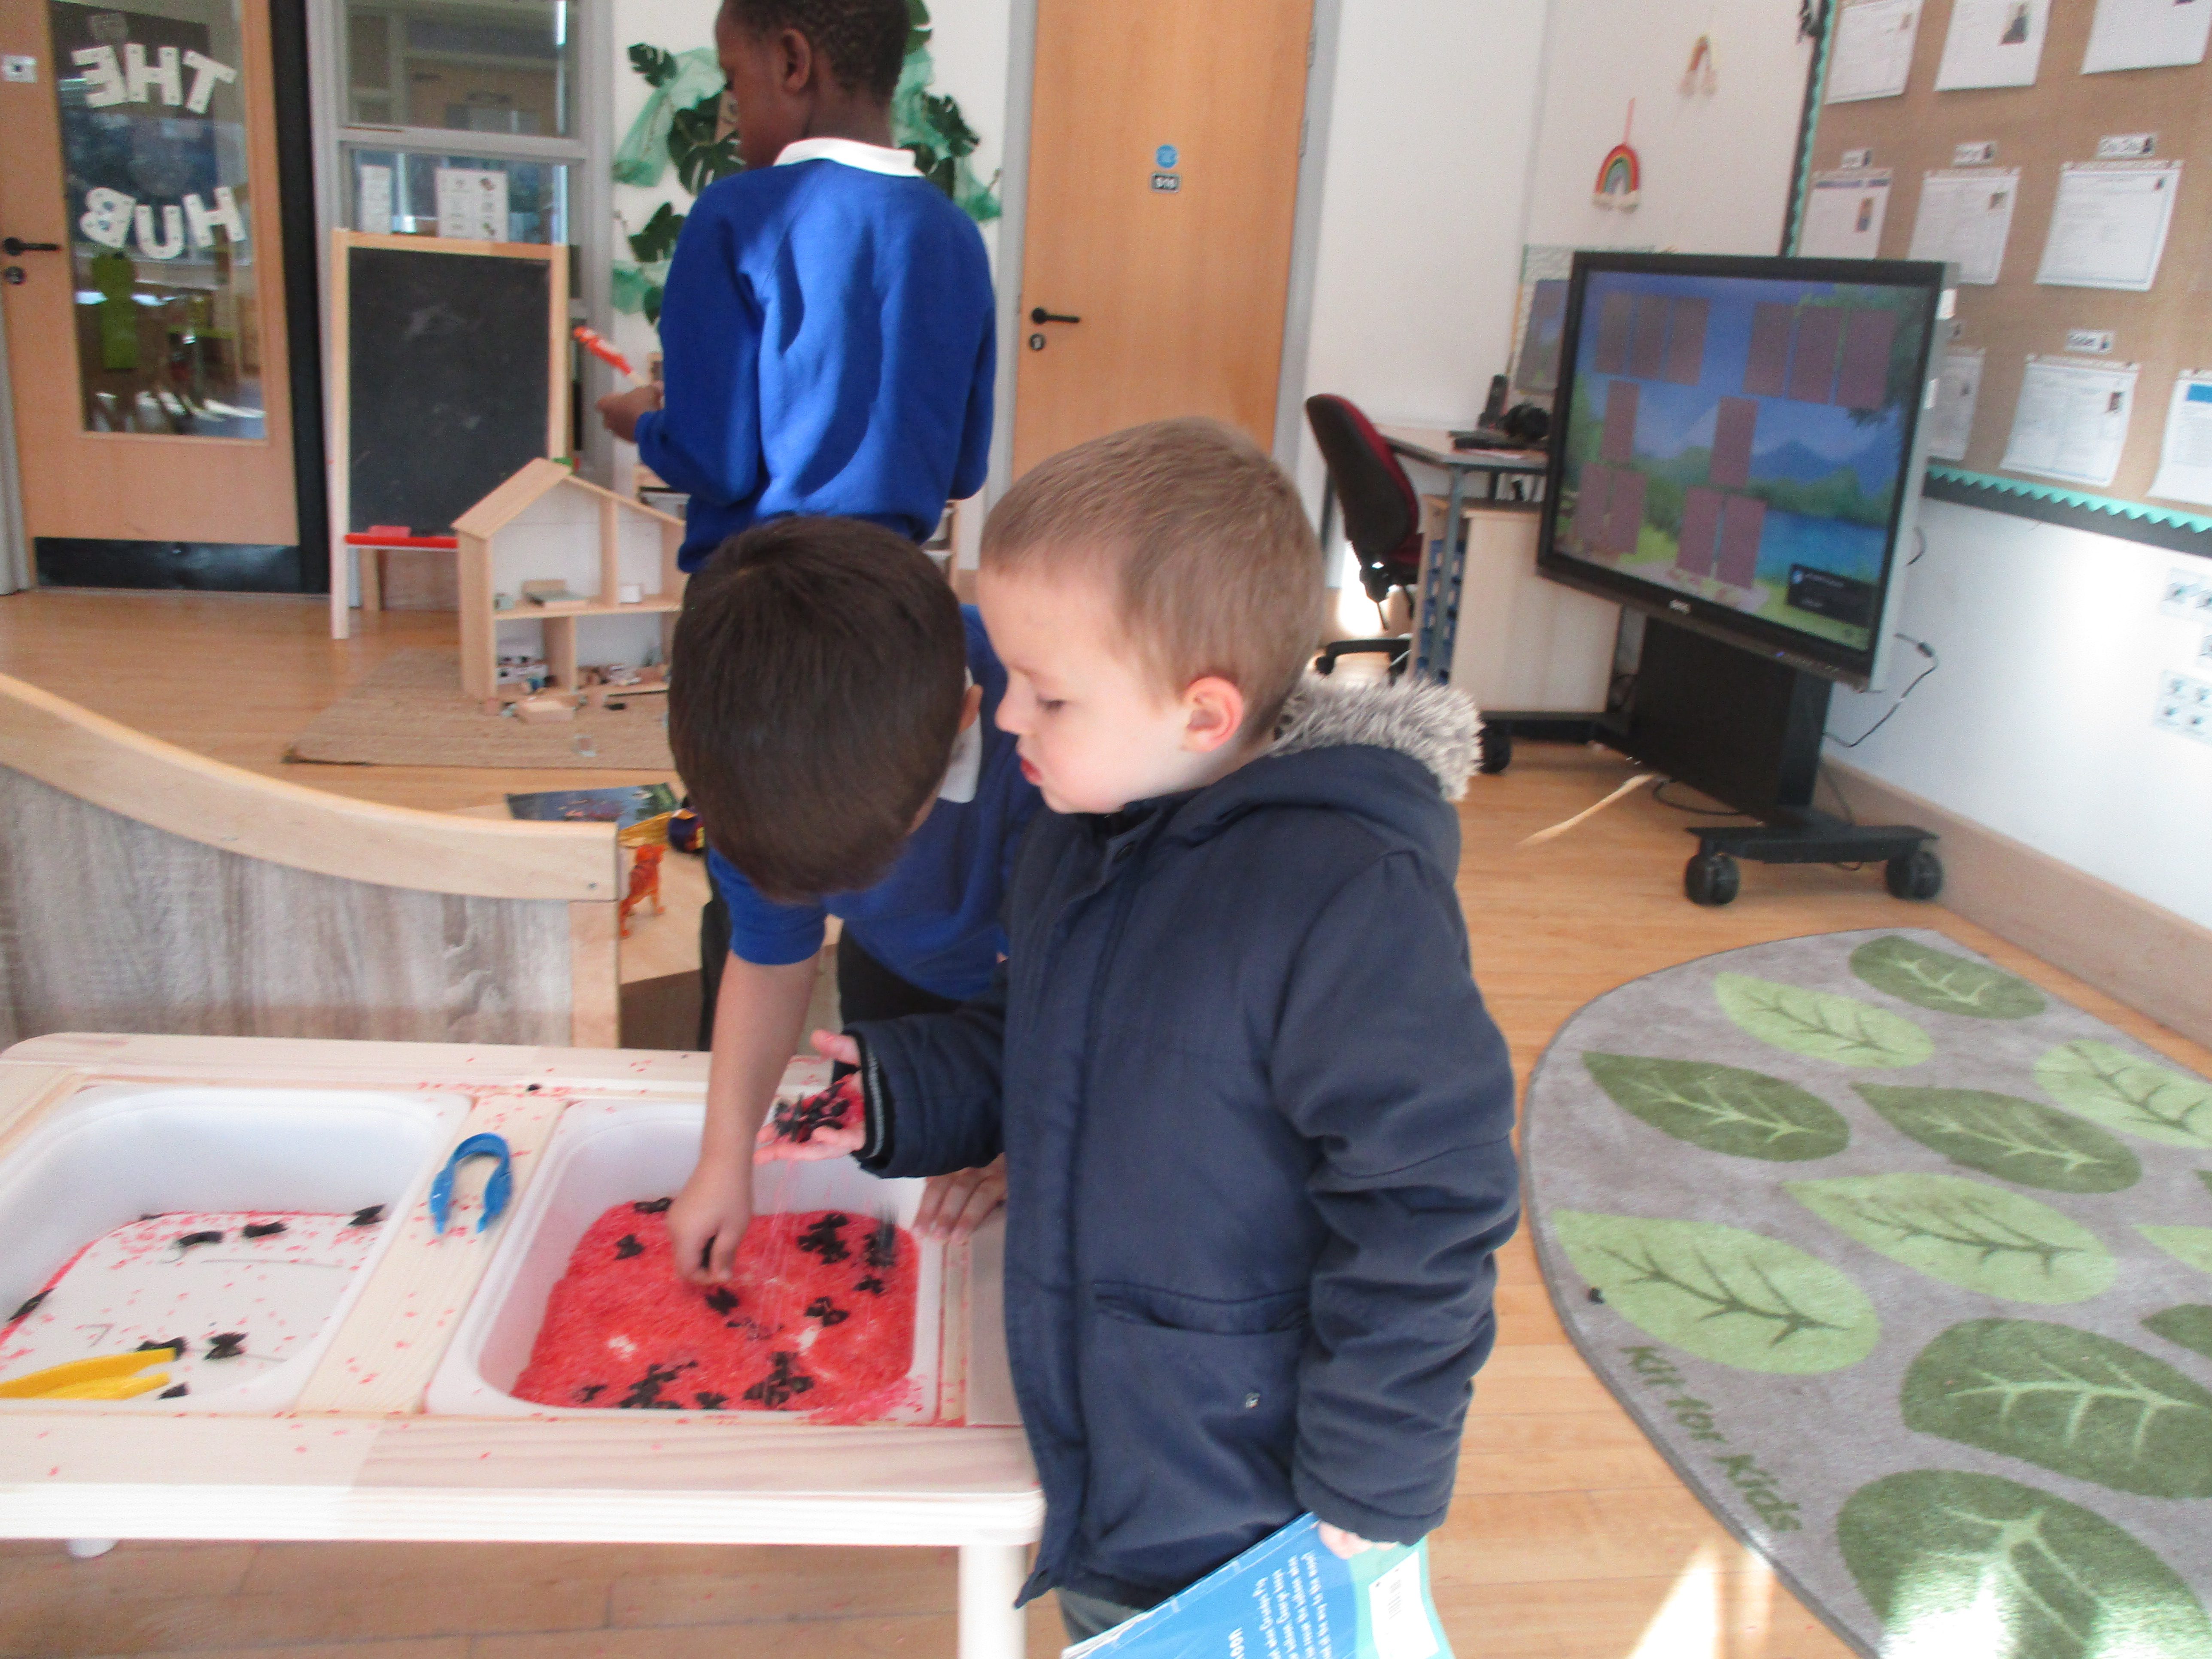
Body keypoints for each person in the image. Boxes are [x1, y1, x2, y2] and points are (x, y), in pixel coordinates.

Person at [760, 419, 1521, 1644]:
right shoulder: (1079, 834)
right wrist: (900, 1088)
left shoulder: (1349, 897)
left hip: (1245, 1470)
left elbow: (1430, 1201)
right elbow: (1044, 1039)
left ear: (1202, 713)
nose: (1008, 717)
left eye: (1049, 693)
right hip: (1114, 1428)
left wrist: (1377, 1464)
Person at [665, 517, 1037, 1279]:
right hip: (897, 968)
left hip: (1042, 991)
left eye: (873, 855)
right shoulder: (749, 769)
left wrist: (1018, 1140)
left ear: (964, 722)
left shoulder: (1048, 741)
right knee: (887, 1140)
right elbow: (768, 960)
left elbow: (1073, 1003)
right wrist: (724, 1156)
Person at [596, 0, 995, 572]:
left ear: (792, 63)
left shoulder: (736, 216)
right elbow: (964, 469)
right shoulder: (957, 235)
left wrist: (642, 423)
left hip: (760, 594)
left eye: (734, 83)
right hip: (897, 593)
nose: (733, 122)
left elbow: (715, 464)